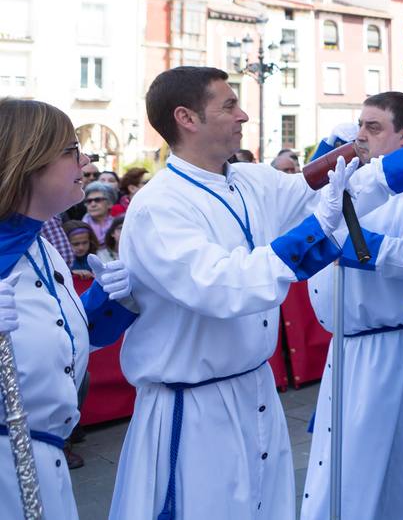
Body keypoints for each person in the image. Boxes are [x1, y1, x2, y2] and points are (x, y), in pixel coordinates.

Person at [106, 66, 382, 520]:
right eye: (230, 105)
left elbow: (316, 191)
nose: (244, 116)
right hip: (194, 406)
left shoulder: (250, 179)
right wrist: (316, 231)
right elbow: (221, 285)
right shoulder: (160, 206)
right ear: (187, 118)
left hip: (255, 389)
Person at [300, 91, 403, 520]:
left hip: (393, 350)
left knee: (393, 467)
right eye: (359, 126)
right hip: (346, 352)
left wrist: (363, 248)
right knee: (341, 469)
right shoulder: (354, 183)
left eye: (373, 128)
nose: (361, 136)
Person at [0, 98, 137, 517]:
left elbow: (53, 337)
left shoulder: (42, 244)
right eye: (71, 150)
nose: (87, 159)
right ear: (31, 158)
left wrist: (107, 300)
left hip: (47, 466)